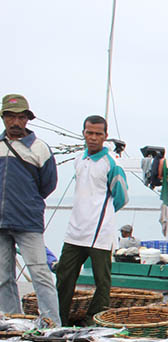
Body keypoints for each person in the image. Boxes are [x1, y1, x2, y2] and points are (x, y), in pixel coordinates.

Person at [55, 115, 128, 325]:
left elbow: (121, 196)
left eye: (98, 133)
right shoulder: (79, 159)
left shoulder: (111, 163)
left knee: (102, 282)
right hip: (74, 231)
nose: (93, 137)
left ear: (105, 136)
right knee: (64, 276)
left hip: (100, 234)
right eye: (89, 133)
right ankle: (59, 319)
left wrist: (103, 215)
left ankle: (94, 321)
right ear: (83, 133)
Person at [0, 94, 61, 326]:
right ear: (4, 118)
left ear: (27, 119)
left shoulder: (40, 148)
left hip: (28, 222)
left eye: (20, 117)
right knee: (2, 279)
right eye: (10, 117)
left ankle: (52, 325)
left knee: (40, 274)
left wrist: (27, 202)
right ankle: (11, 323)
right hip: (0, 223)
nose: (15, 122)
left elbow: (48, 184)